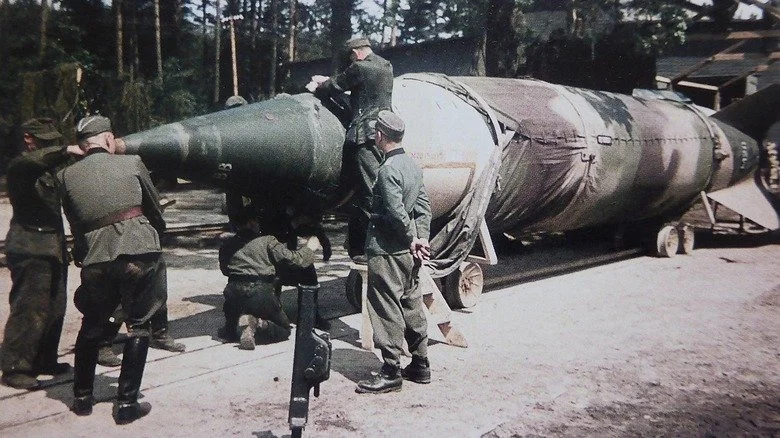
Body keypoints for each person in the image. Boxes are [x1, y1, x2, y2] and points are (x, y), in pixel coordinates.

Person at [57, 115, 167, 424]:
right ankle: (127, 404)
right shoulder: (132, 162)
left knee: (92, 323)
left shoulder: (67, 176)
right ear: (109, 140)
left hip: (96, 259)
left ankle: (81, 398)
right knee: (139, 325)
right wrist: (157, 233)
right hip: (138, 252)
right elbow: (154, 208)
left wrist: (85, 254)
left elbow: (75, 223)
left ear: (82, 145)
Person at [1, 118, 81, 390]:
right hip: (30, 246)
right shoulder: (20, 167)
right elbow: (34, 162)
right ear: (28, 139)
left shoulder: (48, 171)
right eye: (47, 142)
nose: (52, 146)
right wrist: (66, 150)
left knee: (55, 307)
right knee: (29, 308)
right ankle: (15, 367)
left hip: (52, 246)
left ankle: (45, 359)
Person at [356, 110, 432, 394]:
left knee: (386, 307)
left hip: (387, 250)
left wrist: (411, 238)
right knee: (411, 303)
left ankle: (391, 371)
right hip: (409, 254)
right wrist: (421, 238)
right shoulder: (412, 166)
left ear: (380, 136)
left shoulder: (388, 170)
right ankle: (421, 364)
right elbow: (423, 207)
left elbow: (394, 211)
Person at [306, 36, 394, 261]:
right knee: (374, 187)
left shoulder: (359, 67)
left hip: (364, 135)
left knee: (367, 192)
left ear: (355, 54)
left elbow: (336, 86)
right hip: (381, 132)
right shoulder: (384, 65)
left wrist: (319, 85)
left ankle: (367, 247)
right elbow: (361, 87)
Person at [218, 206, 322, 350]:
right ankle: (257, 323)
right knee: (284, 330)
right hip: (259, 291)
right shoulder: (267, 241)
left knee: (230, 333)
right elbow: (295, 260)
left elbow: (225, 270)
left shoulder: (227, 244)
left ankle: (238, 326)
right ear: (251, 223)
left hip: (233, 293)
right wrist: (310, 248)